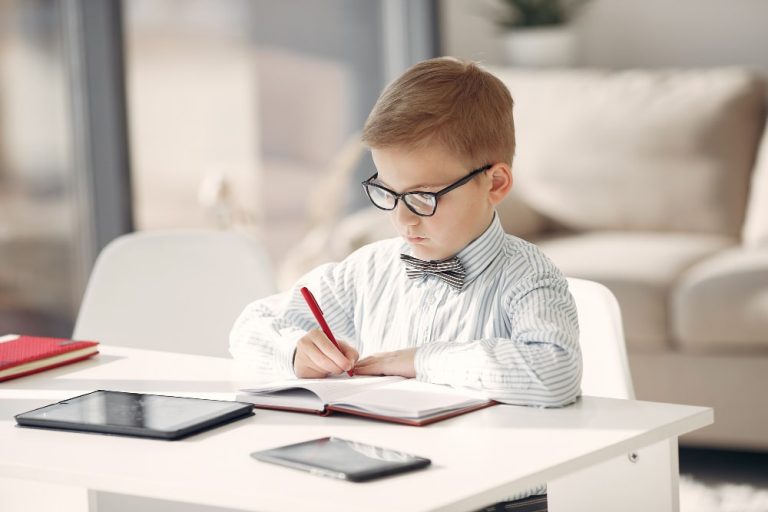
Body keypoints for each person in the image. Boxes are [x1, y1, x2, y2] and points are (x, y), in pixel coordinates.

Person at [230, 57, 581, 511]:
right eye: (388, 192)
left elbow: (554, 372)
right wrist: (295, 350)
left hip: (498, 497)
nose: (401, 218)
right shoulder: (369, 270)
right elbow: (249, 328)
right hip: (386, 488)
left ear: (494, 183)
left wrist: (419, 361)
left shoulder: (527, 276)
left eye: (422, 196)